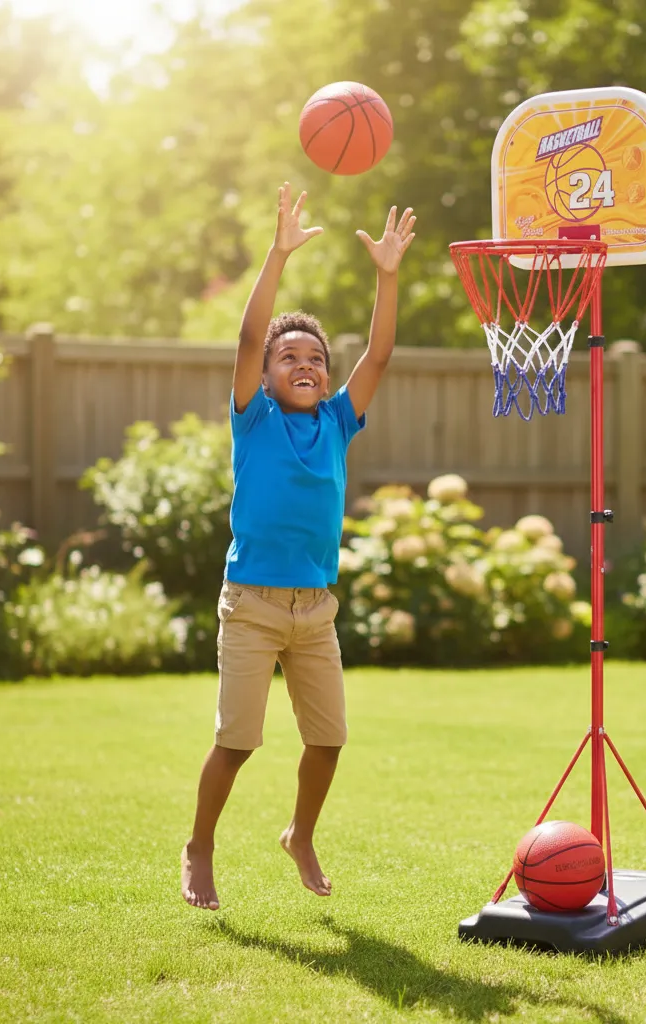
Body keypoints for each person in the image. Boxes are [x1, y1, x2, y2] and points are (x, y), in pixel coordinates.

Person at [181, 182, 416, 910]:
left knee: (329, 739)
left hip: (315, 610)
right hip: (251, 605)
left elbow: (377, 355)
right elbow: (250, 338)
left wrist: (387, 273)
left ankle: (300, 832)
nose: (304, 363)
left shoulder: (339, 422)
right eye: (290, 357)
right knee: (237, 742)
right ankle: (199, 847)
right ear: (269, 374)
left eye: (314, 354)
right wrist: (278, 254)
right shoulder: (253, 420)